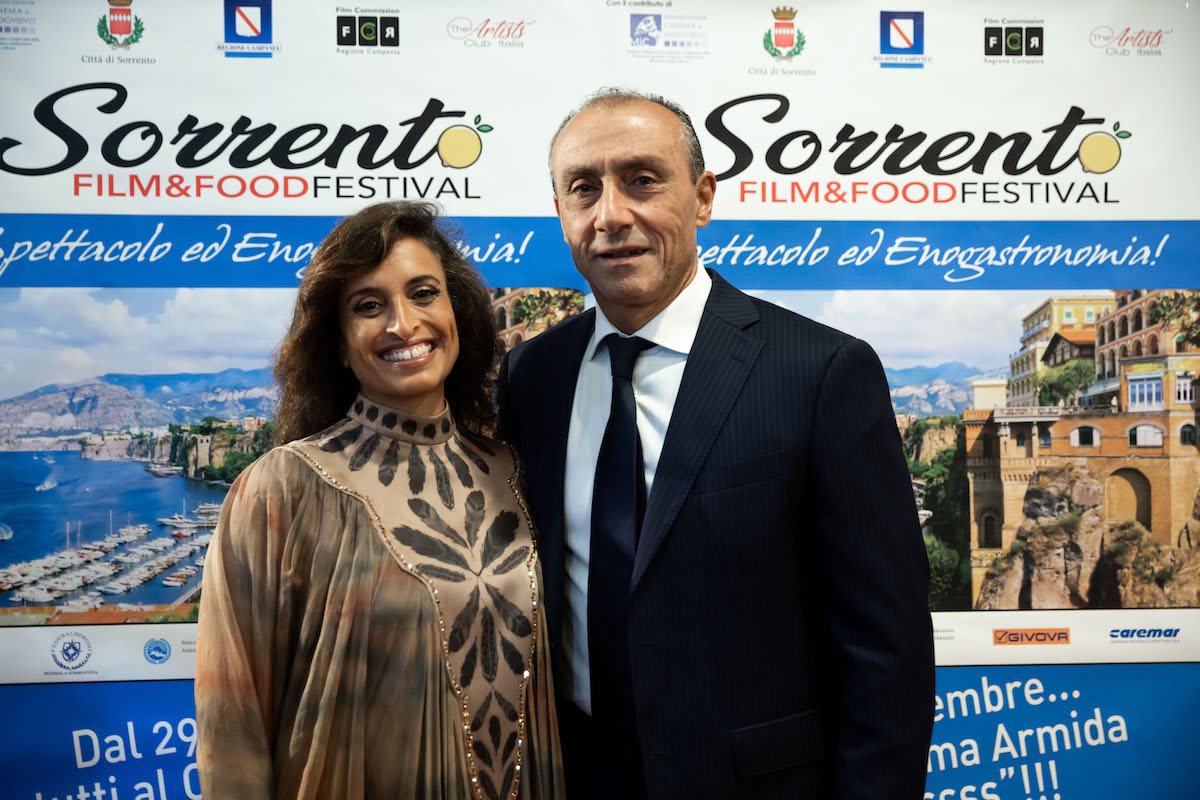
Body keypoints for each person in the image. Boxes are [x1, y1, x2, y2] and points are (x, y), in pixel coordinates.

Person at [498, 90, 935, 799]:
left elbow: (888, 652)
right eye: (583, 189)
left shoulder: (821, 372)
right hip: (574, 776)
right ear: (561, 213)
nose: (611, 215)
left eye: (642, 180)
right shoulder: (532, 376)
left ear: (703, 197)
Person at [196, 201, 564, 800]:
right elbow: (229, 723)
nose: (403, 323)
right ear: (339, 343)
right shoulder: (281, 488)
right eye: (369, 306)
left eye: (424, 294)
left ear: (457, 313)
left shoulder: (514, 470)